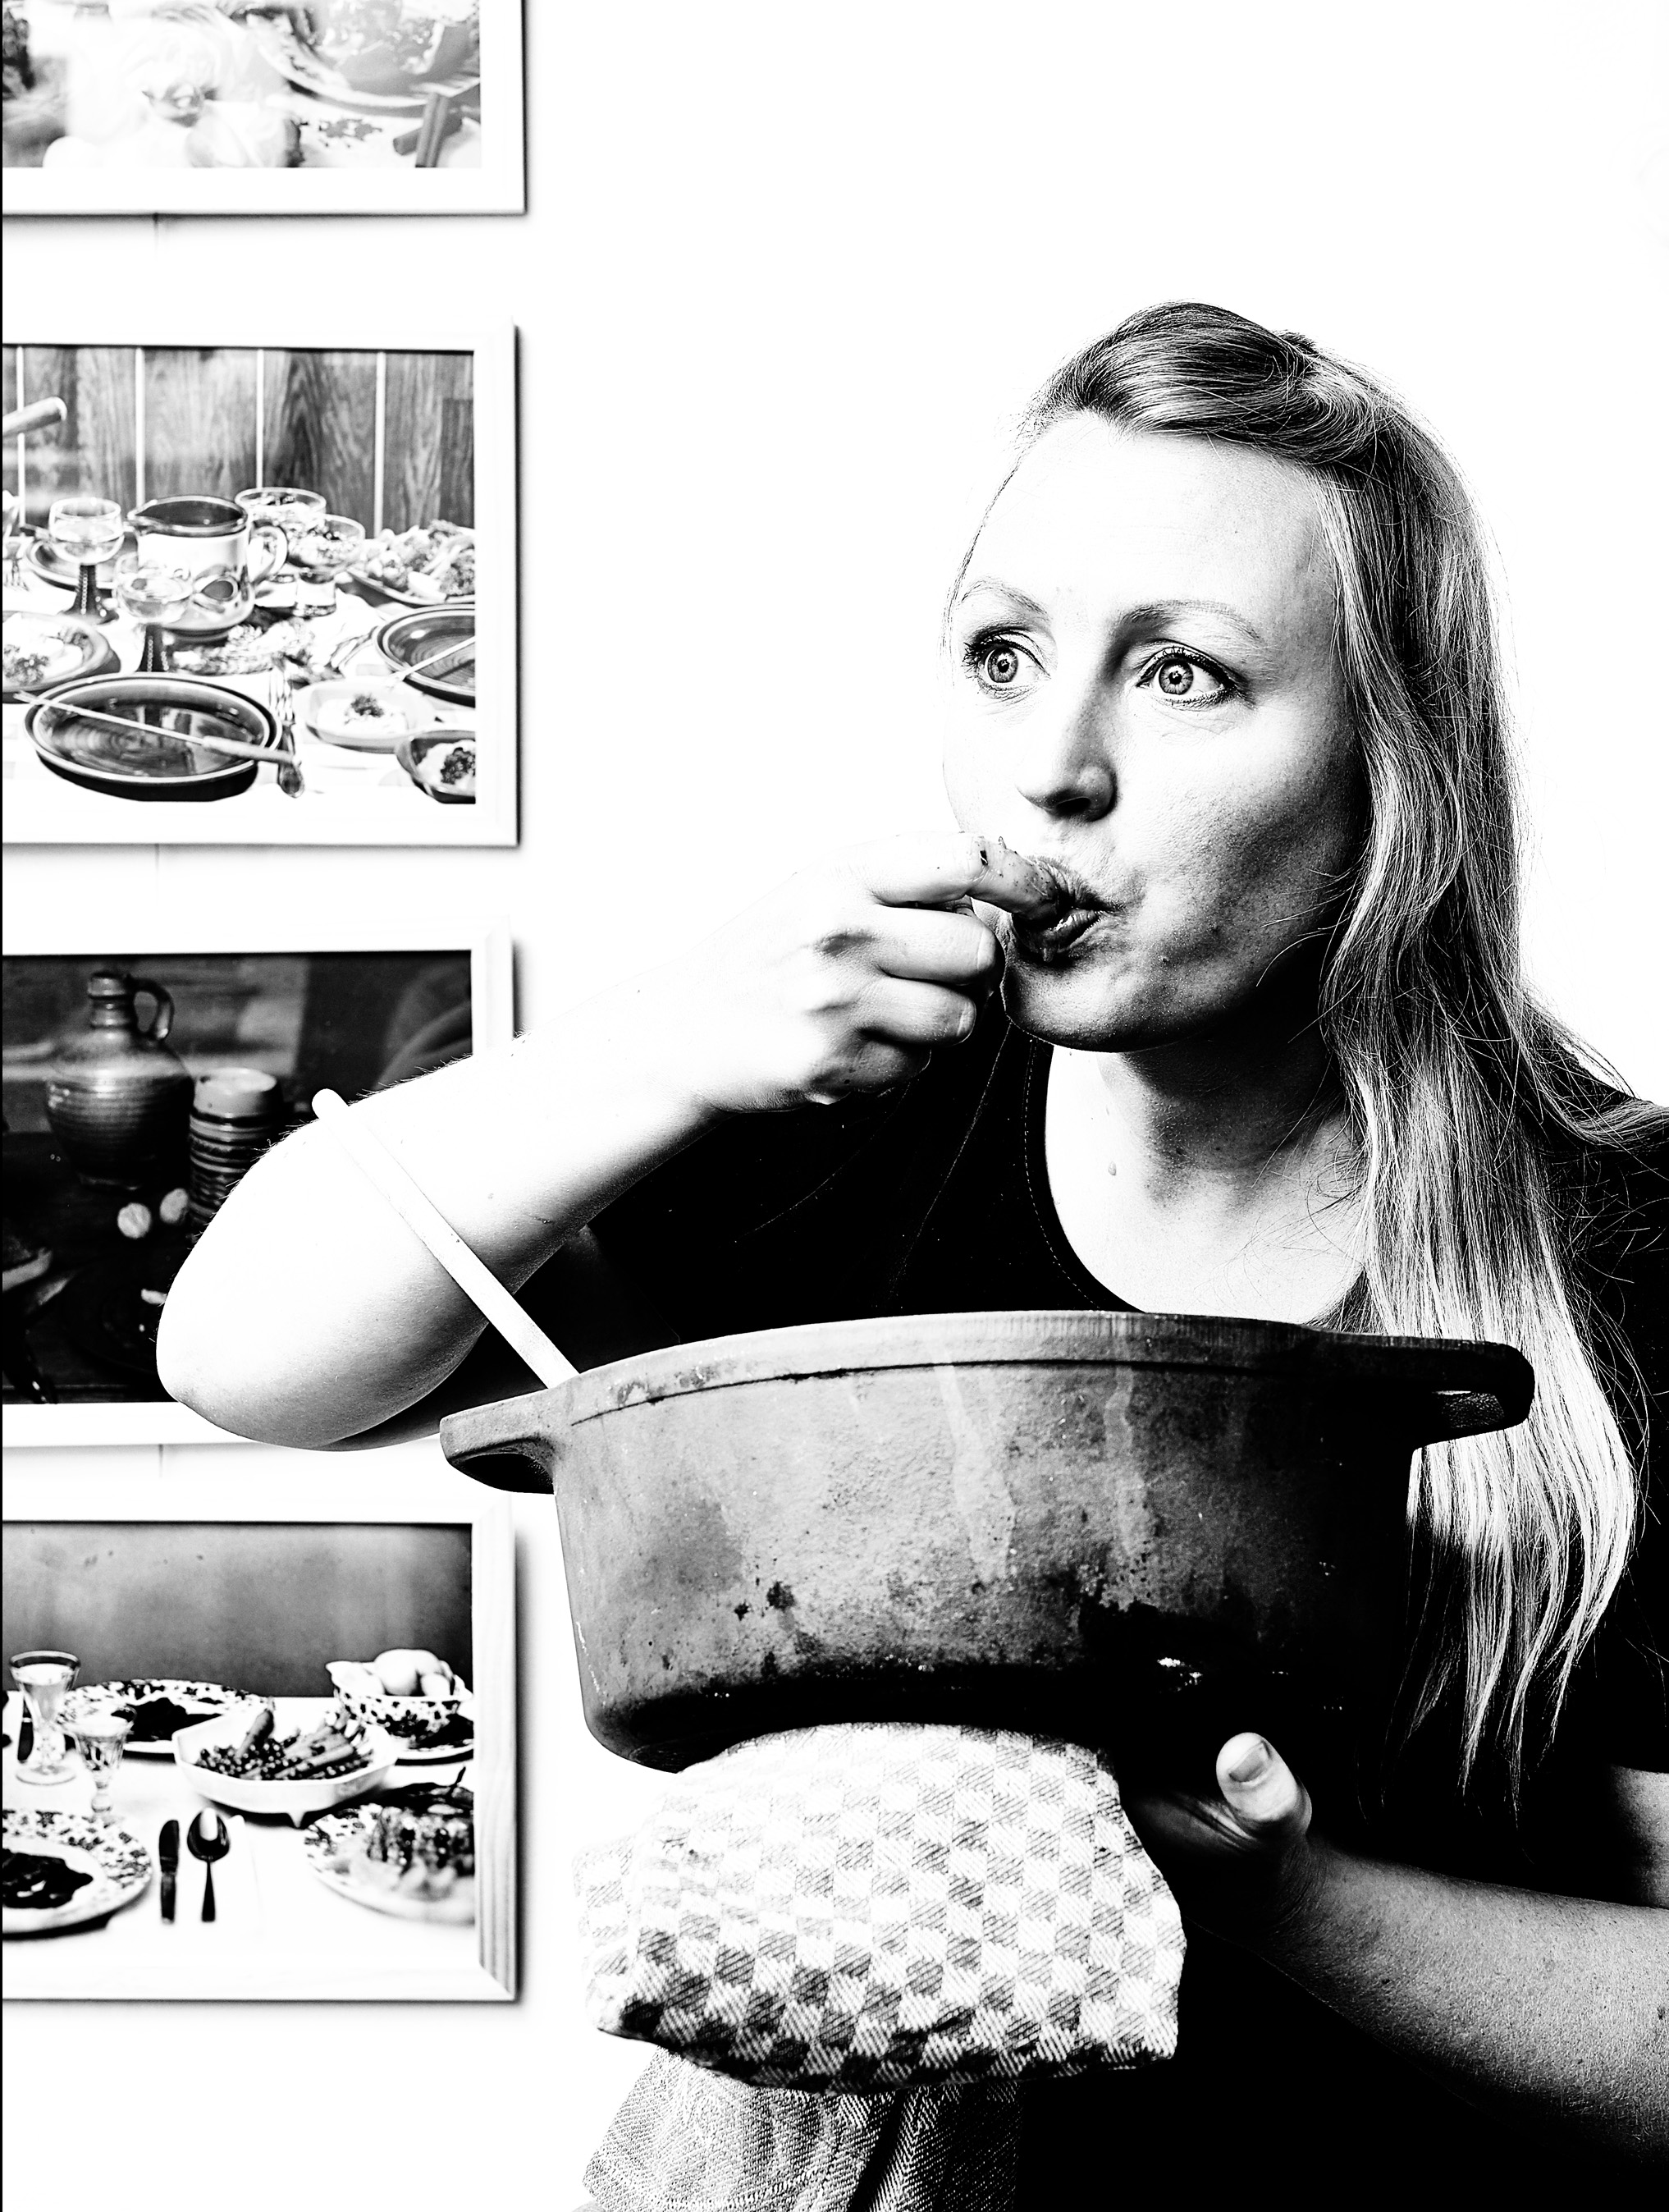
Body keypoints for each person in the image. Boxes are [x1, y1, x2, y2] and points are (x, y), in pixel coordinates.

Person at [159, 303, 1668, 2182]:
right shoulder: (832, 1125)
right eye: (1002, 654)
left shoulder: (1625, 1253)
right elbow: (244, 1359)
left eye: (1185, 675)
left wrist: (1275, 1892)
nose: (1055, 768)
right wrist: (662, 1036)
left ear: (1393, 761)